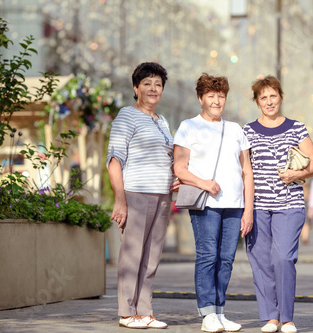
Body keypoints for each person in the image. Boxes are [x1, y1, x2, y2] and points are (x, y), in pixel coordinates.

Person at [173, 73, 254, 333]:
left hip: (234, 204)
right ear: (200, 98)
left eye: (221, 96)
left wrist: (248, 209)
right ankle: (207, 314)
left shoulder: (236, 129)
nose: (217, 101)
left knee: (227, 259)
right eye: (211, 96)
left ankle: (220, 311)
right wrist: (205, 183)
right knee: (208, 256)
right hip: (206, 203)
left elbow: (247, 171)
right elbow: (179, 168)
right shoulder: (188, 126)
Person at [243, 75, 313, 333]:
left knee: (283, 258)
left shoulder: (296, 127)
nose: (269, 101)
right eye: (263, 97)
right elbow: (242, 171)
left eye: (273, 96)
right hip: (258, 207)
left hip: (289, 204)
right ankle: (270, 317)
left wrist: (296, 175)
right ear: (257, 101)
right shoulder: (247, 131)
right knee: (261, 261)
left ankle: (286, 318)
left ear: (280, 97)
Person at [106, 62, 179, 329]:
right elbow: (115, 160)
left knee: (152, 256)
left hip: (161, 196)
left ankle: (145, 311)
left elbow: (169, 157)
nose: (153, 88)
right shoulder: (127, 115)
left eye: (158, 84)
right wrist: (120, 199)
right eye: (147, 83)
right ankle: (127, 313)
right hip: (136, 194)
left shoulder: (162, 120)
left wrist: (177, 175)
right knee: (132, 255)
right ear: (136, 88)